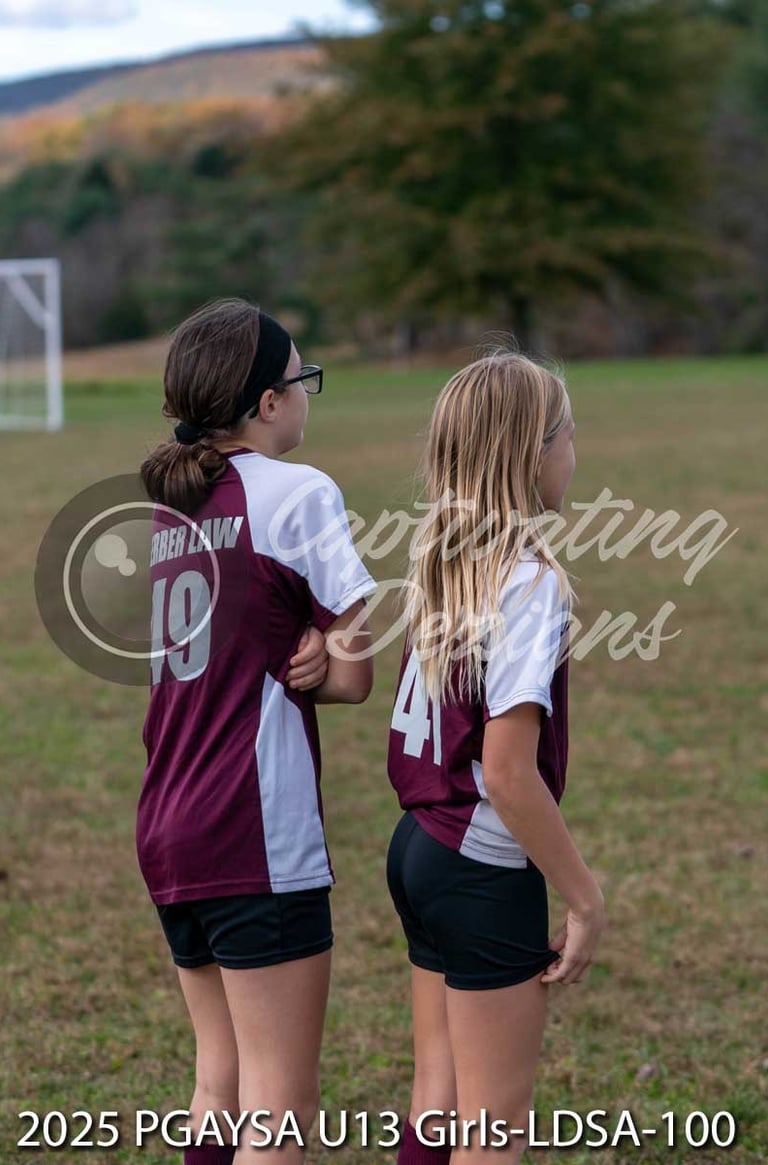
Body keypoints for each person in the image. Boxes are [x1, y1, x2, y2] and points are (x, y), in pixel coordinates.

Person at [138, 298, 376, 1165]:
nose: (308, 393)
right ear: (268, 402)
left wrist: (299, 638)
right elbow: (353, 676)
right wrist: (319, 650)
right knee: (281, 1107)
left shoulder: (174, 506)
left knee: (220, 1084)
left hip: (168, 822)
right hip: (252, 828)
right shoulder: (300, 490)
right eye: (302, 378)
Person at [386, 351, 607, 1164]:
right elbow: (509, 773)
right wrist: (583, 897)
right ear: (530, 454)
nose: (575, 451)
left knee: (437, 1102)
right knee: (493, 1130)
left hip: (419, 847)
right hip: (479, 861)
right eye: (568, 434)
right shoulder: (527, 579)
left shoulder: (441, 555)